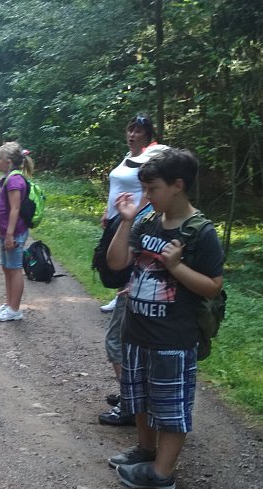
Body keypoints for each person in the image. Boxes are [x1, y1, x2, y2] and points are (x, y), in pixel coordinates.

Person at [105, 148, 224, 489]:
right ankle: (146, 451)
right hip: (137, 331)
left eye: (152, 189)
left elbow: (213, 286)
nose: (147, 195)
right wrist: (126, 220)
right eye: (144, 188)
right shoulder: (147, 222)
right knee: (139, 398)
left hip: (173, 339)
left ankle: (162, 473)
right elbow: (116, 263)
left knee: (171, 407)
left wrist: (176, 266)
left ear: (178, 185)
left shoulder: (200, 232)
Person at [99, 113, 167, 426]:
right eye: (130, 129)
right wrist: (111, 214)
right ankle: (133, 396)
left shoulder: (155, 158)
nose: (132, 134)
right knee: (127, 341)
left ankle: (131, 402)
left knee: (118, 341)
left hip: (134, 242)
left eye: (138, 130)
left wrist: (131, 217)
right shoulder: (130, 158)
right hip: (123, 231)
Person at [0, 142, 32, 321]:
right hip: (7, 232)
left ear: (7, 162)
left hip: (14, 233)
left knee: (14, 269)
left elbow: (15, 209)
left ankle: (15, 309)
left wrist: (9, 235)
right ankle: (9, 304)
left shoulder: (14, 180)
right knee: (7, 268)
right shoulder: (9, 177)